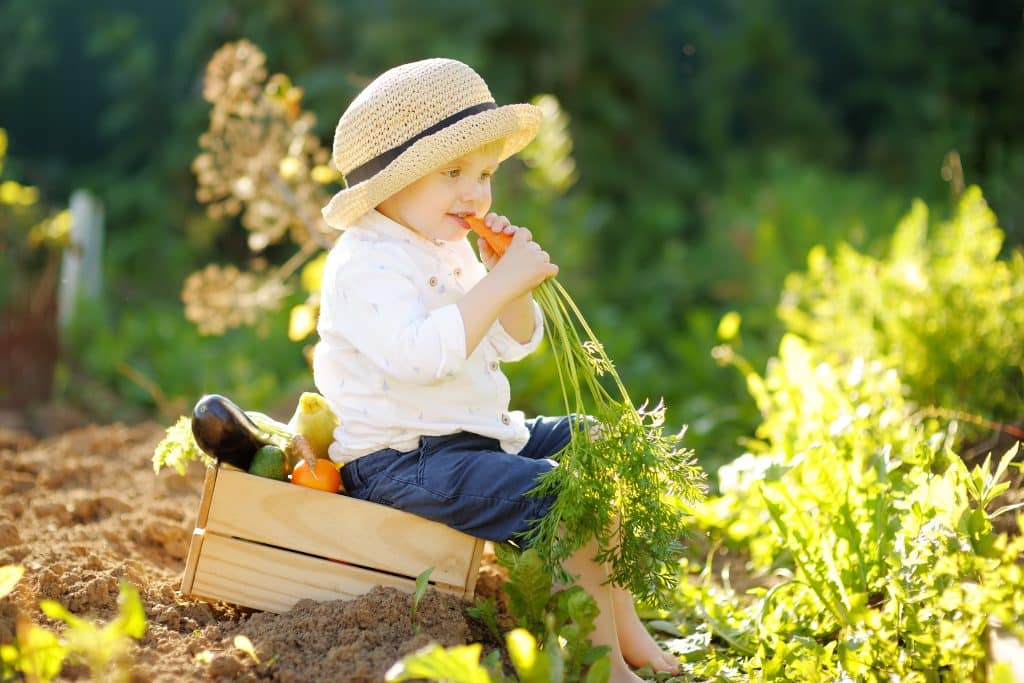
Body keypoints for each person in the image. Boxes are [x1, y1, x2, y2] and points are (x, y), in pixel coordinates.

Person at [313, 57, 678, 681]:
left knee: (600, 446)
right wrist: (499, 280)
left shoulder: (447, 245)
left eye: (485, 174)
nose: (475, 193)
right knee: (571, 498)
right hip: (401, 463)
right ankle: (602, 666)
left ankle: (624, 627)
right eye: (452, 172)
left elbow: (515, 343)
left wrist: (507, 284)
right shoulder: (366, 263)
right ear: (389, 185)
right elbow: (422, 356)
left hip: (475, 433)